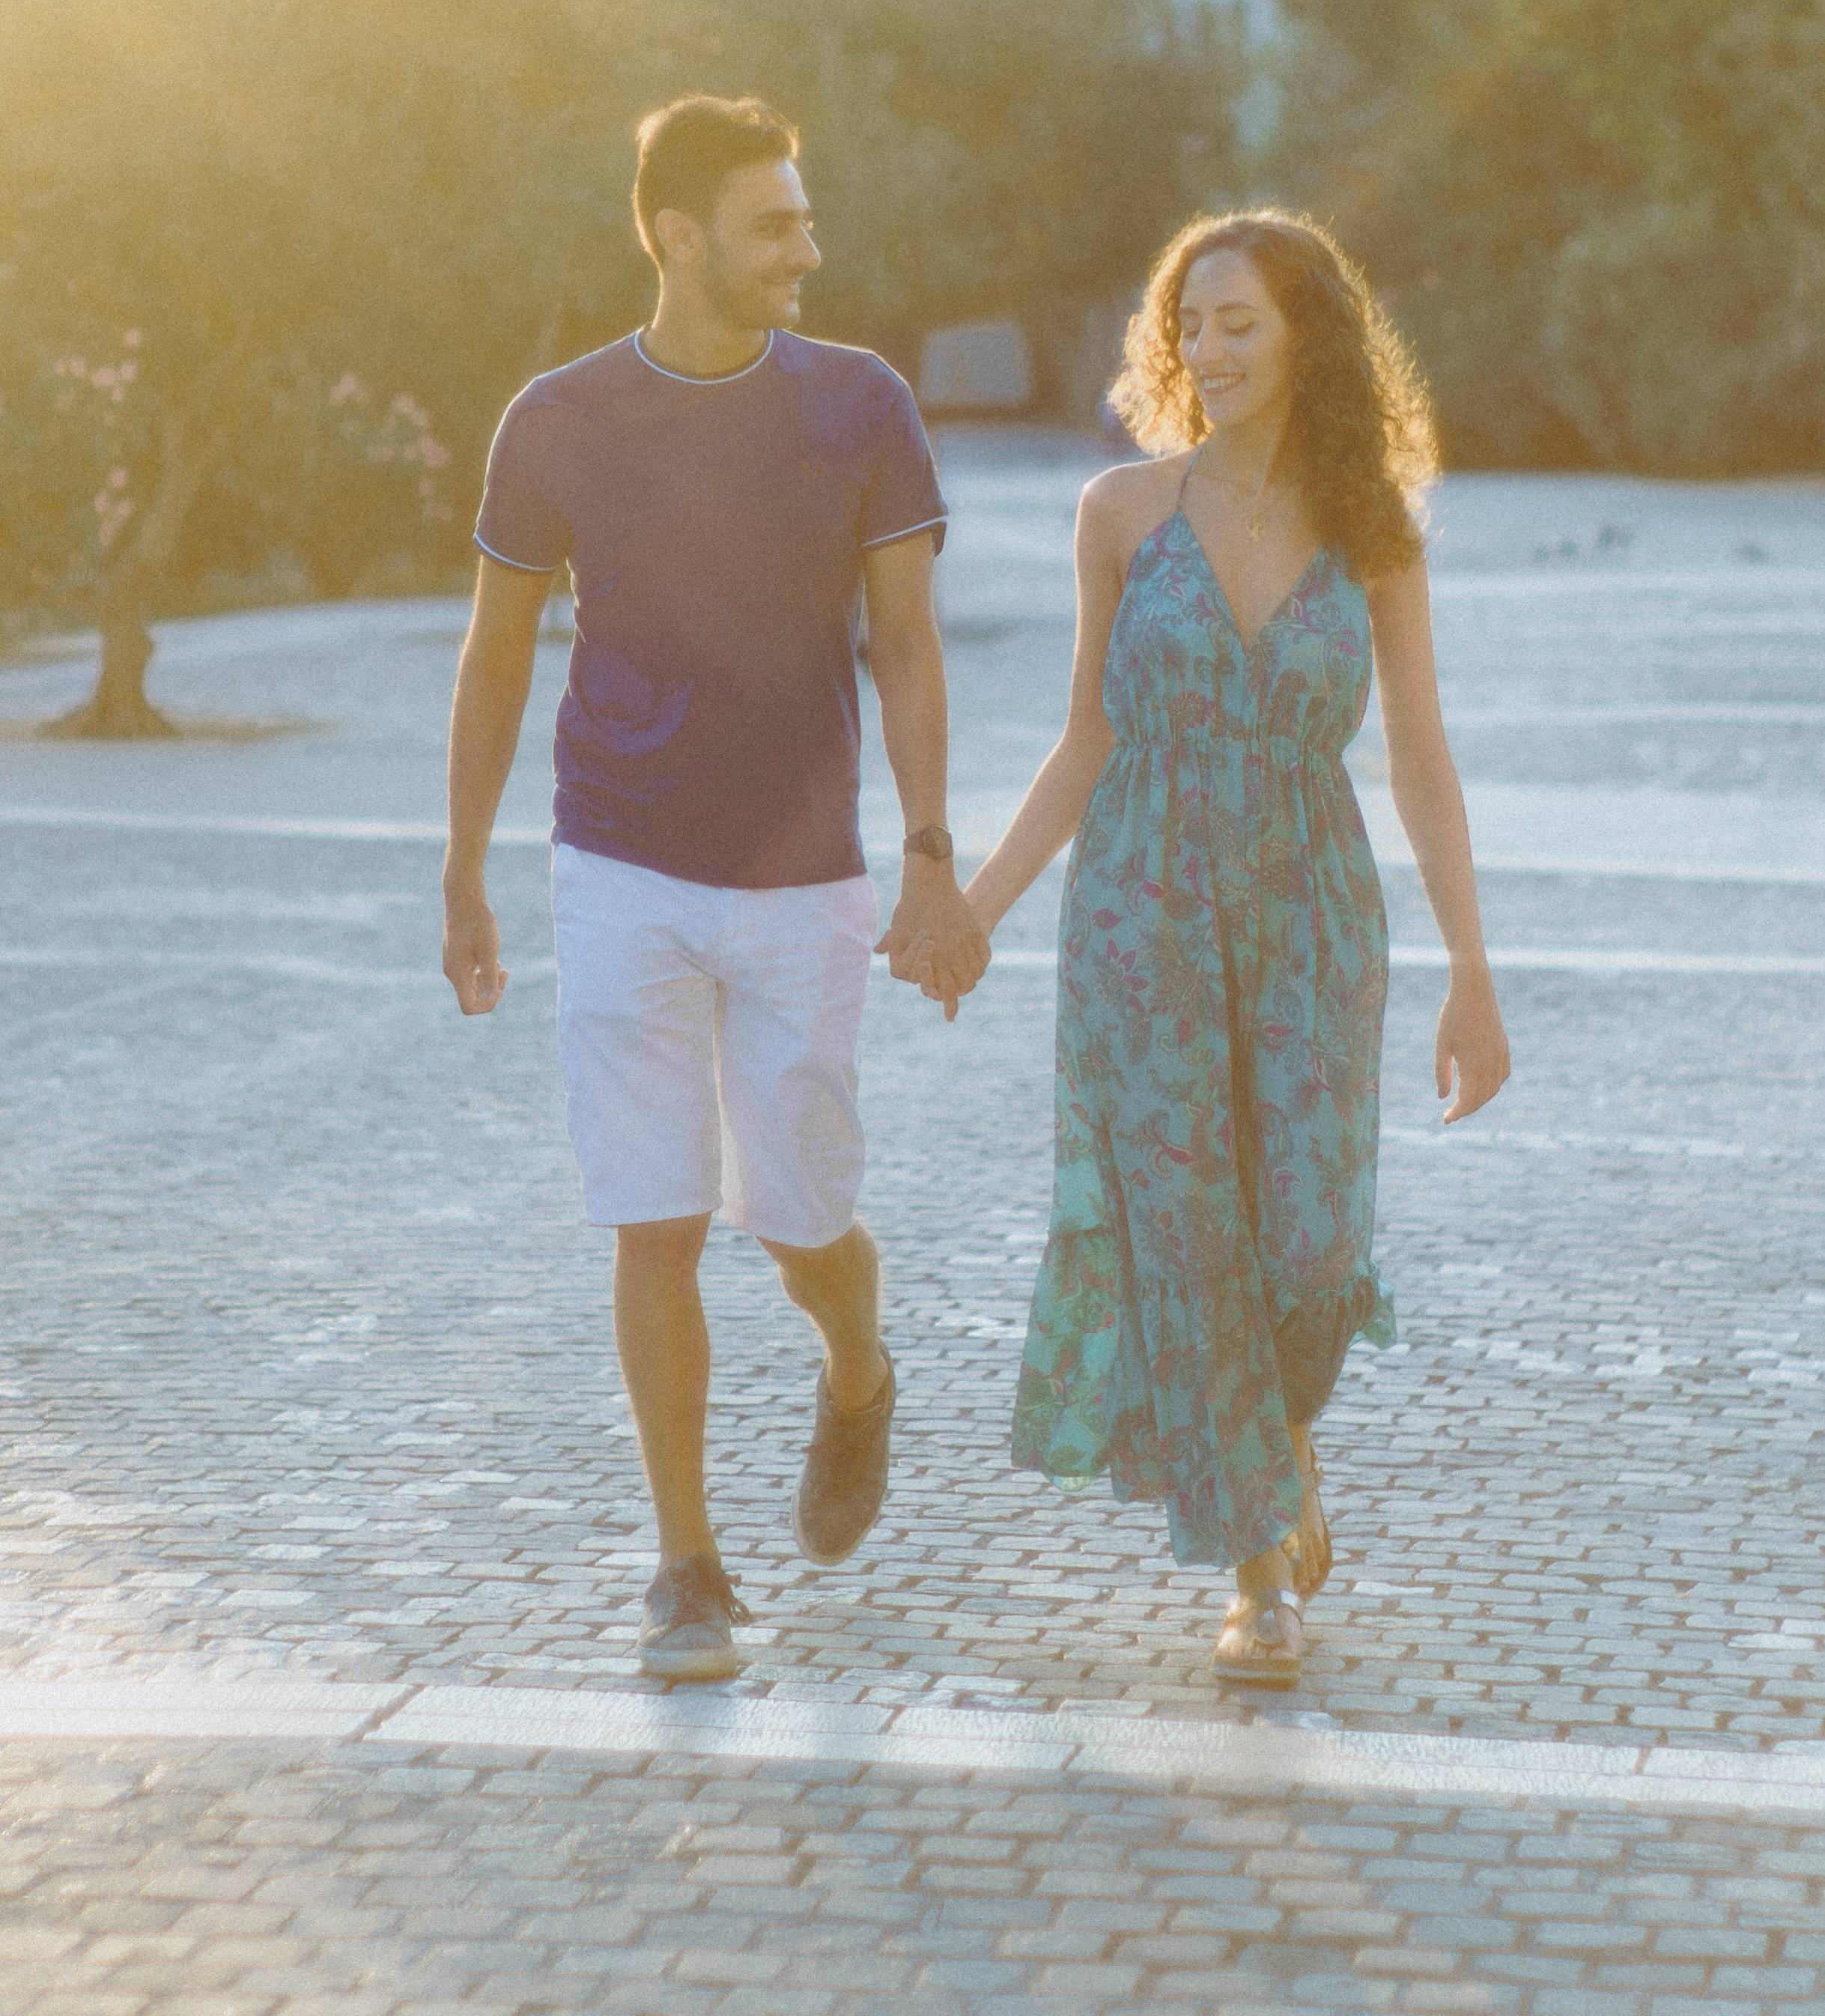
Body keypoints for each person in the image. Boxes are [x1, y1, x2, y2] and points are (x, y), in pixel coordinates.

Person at [441, 94, 989, 1683]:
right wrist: (465, 870)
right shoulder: (557, 420)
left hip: (804, 874)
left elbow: (905, 647)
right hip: (617, 860)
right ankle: (685, 1565)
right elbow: (493, 658)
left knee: (800, 1217)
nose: (806, 249)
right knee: (655, 1216)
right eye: (774, 225)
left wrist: (932, 856)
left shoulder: (860, 404)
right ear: (679, 238)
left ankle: (858, 1367)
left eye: (804, 219)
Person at [959, 209, 1509, 1686]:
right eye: (1188, 325)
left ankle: (1279, 1448)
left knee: (1310, 1249)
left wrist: (1470, 973)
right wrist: (977, 907)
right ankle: (1258, 1574)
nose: (1206, 349)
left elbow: (1421, 758)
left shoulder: (1373, 528)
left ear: (1306, 334)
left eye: (1238, 322)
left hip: (1312, 920)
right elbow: (1085, 741)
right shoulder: (1120, 514)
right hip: (1140, 917)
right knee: (1193, 1241)